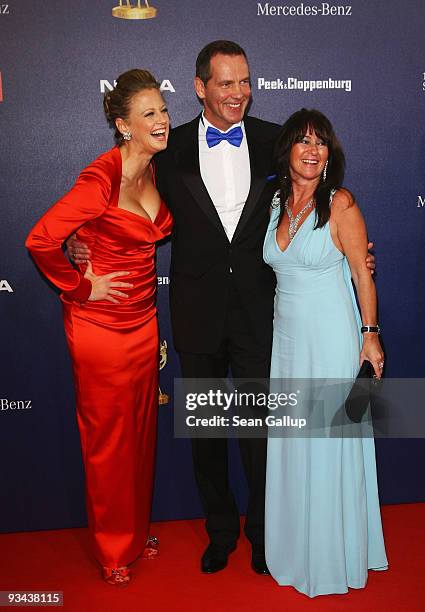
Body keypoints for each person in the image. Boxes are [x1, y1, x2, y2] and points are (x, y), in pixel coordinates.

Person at [69, 41, 375, 576]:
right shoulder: (171, 146)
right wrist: (79, 241)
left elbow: (315, 194)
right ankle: (220, 531)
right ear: (199, 87)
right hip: (197, 311)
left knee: (264, 433)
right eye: (226, 83)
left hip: (262, 314)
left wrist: (353, 248)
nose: (238, 94)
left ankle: (263, 533)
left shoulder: (274, 140)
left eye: (244, 82)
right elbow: (116, 195)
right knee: (208, 434)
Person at [25, 69, 173, 586]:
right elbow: (41, 239)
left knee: (139, 433)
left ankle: (134, 531)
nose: (162, 120)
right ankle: (114, 550)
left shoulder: (155, 168)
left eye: (163, 110)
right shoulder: (99, 180)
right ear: (122, 124)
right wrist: (82, 286)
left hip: (143, 323)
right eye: (149, 113)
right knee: (109, 442)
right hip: (100, 328)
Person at [263, 108, 388, 597]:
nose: (313, 151)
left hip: (332, 339)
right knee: (296, 442)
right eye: (303, 141)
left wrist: (370, 334)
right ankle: (296, 548)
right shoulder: (272, 203)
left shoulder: (340, 203)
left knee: (329, 444)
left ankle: (334, 554)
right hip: (287, 343)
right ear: (287, 151)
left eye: (321, 143)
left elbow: (362, 272)